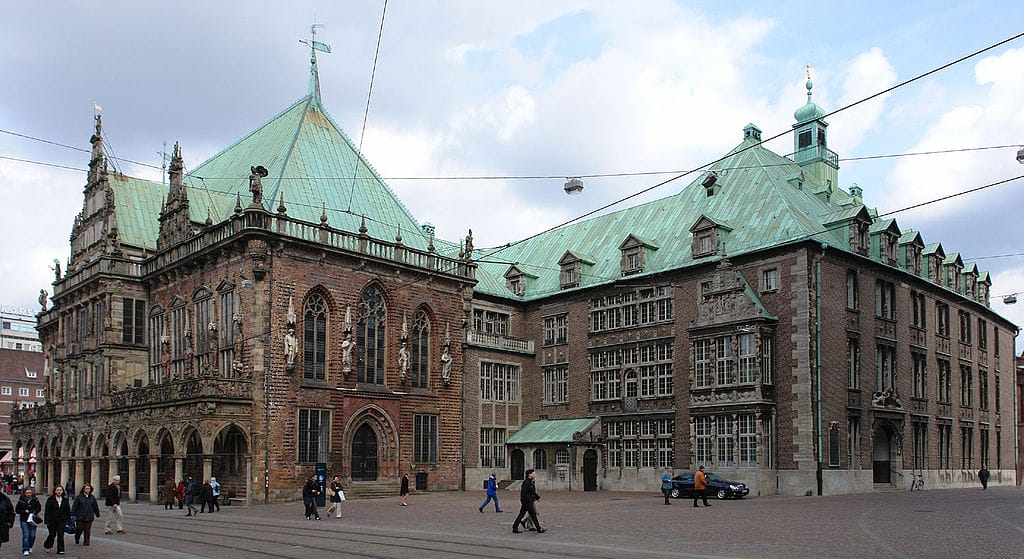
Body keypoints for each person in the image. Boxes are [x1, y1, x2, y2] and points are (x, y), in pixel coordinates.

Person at [512, 469, 544, 534]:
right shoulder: (526, 483)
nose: (534, 475)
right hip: (527, 502)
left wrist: (537, 497)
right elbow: (524, 494)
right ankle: (539, 528)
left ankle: (515, 527)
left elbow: (532, 492)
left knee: (521, 515)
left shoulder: (530, 482)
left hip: (527, 502)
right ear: (529, 475)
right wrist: (527, 500)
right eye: (533, 473)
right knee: (533, 515)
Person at [42, 485, 70, 555]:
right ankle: (47, 545)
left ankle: (61, 549)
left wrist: (69, 520)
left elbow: (68, 511)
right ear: (55, 491)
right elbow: (47, 510)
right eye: (57, 490)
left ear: (63, 491)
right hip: (52, 520)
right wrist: (47, 520)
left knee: (61, 535)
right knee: (52, 534)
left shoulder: (65, 500)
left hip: (62, 520)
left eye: (60, 490)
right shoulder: (50, 499)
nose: (59, 491)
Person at [16, 486, 42, 556]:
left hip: (32, 520)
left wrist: (34, 512)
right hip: (24, 520)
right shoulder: (21, 500)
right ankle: (25, 549)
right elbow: (17, 510)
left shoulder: (35, 500)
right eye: (27, 493)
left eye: (30, 493)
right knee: (26, 536)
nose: (29, 494)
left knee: (32, 536)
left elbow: (39, 508)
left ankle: (30, 546)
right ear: (24, 493)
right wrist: (24, 511)